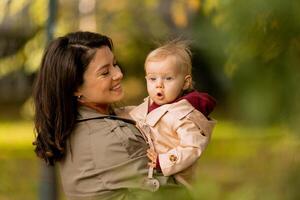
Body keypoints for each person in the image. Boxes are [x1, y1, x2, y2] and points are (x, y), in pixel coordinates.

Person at [33, 31, 180, 200]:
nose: (118, 74)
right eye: (105, 72)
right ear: (75, 87)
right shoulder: (111, 139)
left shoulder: (76, 125)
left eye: (115, 64)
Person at [129, 40, 217, 189]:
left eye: (168, 78)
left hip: (175, 181)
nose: (159, 84)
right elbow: (134, 114)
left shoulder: (184, 115)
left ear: (185, 82)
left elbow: (192, 147)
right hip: (150, 176)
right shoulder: (149, 105)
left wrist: (163, 161)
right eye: (152, 78)